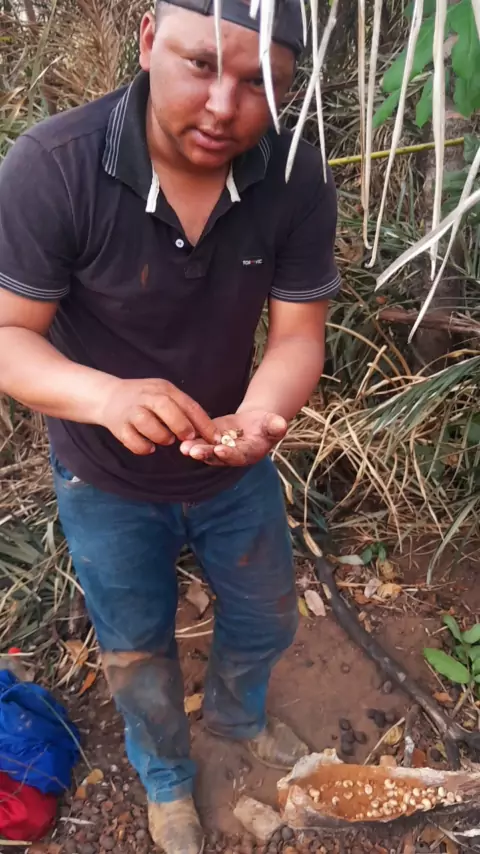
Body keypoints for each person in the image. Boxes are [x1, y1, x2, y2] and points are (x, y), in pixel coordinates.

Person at [0, 0, 339, 850]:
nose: (225, 107)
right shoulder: (55, 166)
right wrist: (106, 399)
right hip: (104, 477)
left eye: (261, 83)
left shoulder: (295, 172)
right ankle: (165, 778)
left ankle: (236, 716)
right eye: (201, 64)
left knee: (268, 617)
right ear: (150, 40)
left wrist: (260, 415)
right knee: (136, 646)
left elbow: (298, 336)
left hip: (233, 464)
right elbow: (7, 336)